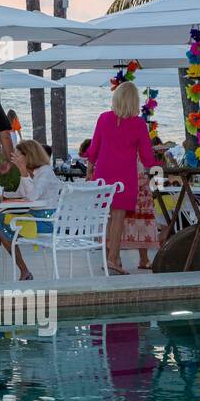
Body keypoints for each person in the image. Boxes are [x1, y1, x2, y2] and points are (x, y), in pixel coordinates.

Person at [84, 81, 158, 275]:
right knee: (118, 218)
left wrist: (89, 171)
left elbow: (94, 149)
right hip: (125, 176)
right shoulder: (139, 124)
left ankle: (113, 257)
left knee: (109, 218)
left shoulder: (103, 118)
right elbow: (147, 156)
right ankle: (111, 260)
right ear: (134, 101)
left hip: (104, 173)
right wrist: (159, 165)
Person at [0, 141, 59, 281]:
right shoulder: (33, 172)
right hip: (35, 218)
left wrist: (23, 171)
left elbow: (31, 196)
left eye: (17, 155)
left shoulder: (45, 172)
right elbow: (21, 193)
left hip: (46, 222)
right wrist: (1, 194)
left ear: (28, 155)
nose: (14, 158)